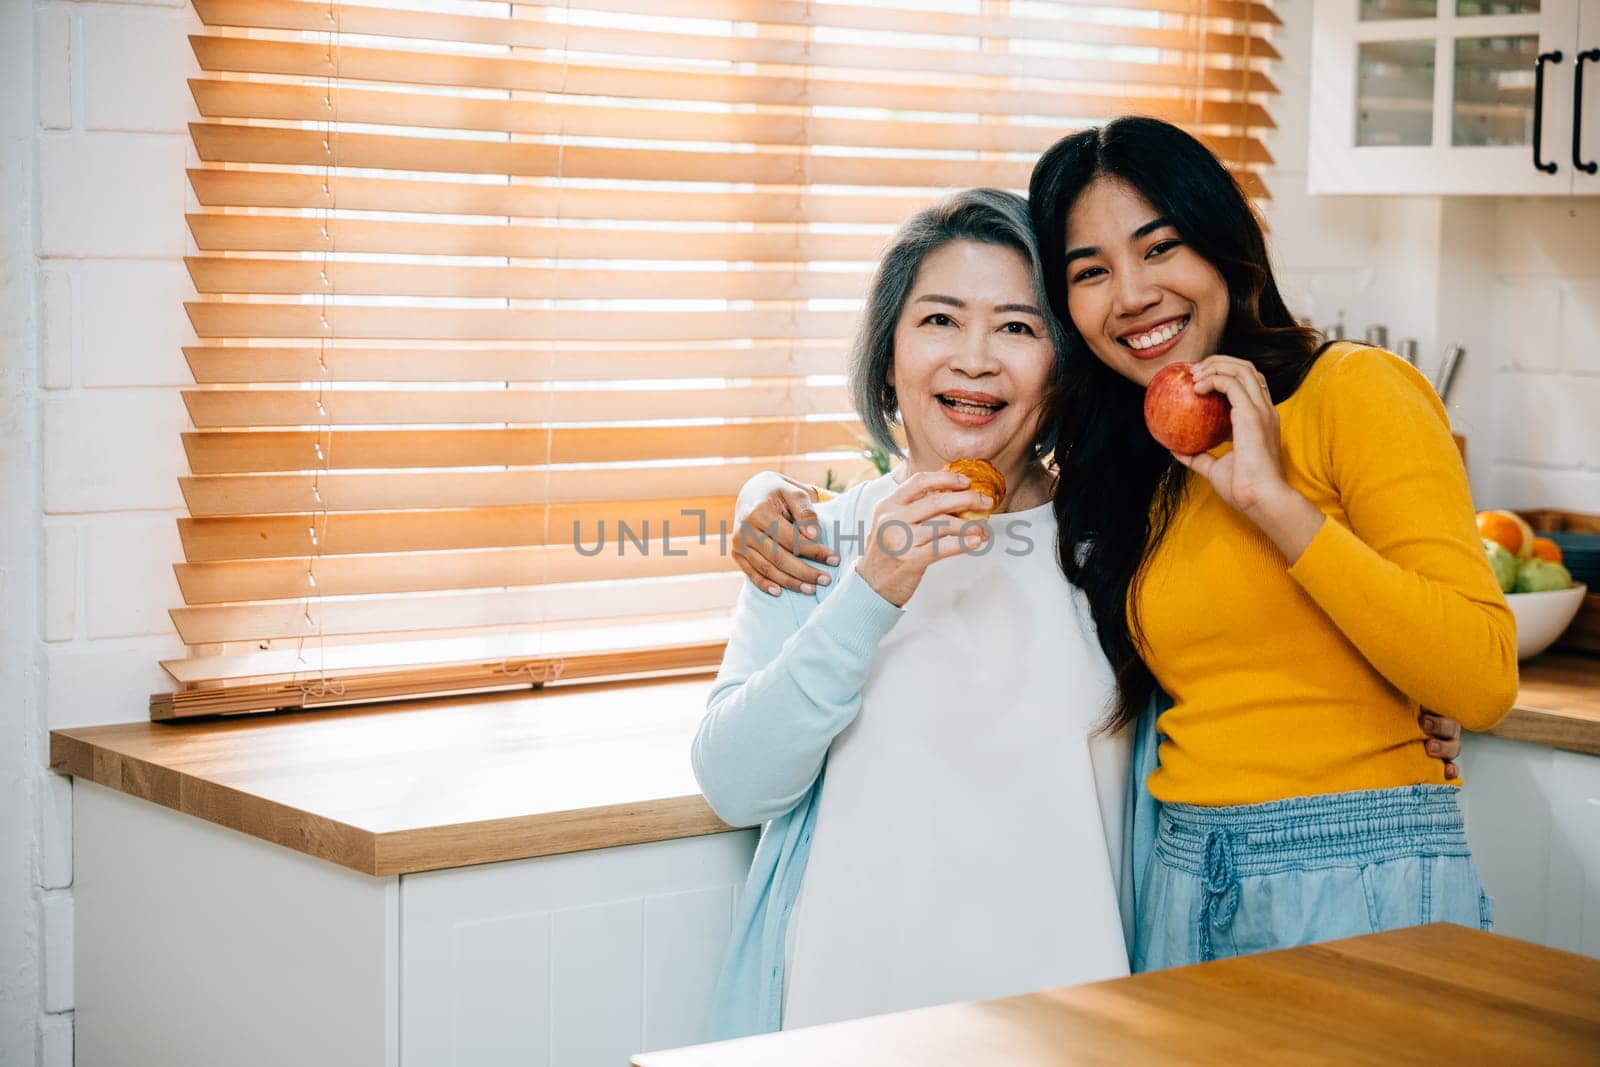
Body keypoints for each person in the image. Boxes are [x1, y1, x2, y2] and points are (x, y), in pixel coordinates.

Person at [1027, 116, 1516, 969]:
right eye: (1091, 271)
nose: (1132, 293)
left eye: (1160, 246)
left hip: (1358, 874)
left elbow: (1480, 678)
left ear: (1222, 246)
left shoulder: (1357, 391)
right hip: (1185, 877)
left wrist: (1276, 504)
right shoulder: (1134, 465)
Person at [693, 189, 1136, 1041]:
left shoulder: (1122, 547)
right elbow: (735, 782)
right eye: (940, 319)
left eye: (1018, 326)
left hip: (1073, 1022)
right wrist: (869, 591)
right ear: (890, 354)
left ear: (1065, 363)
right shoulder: (814, 539)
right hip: (848, 1020)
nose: (976, 359)